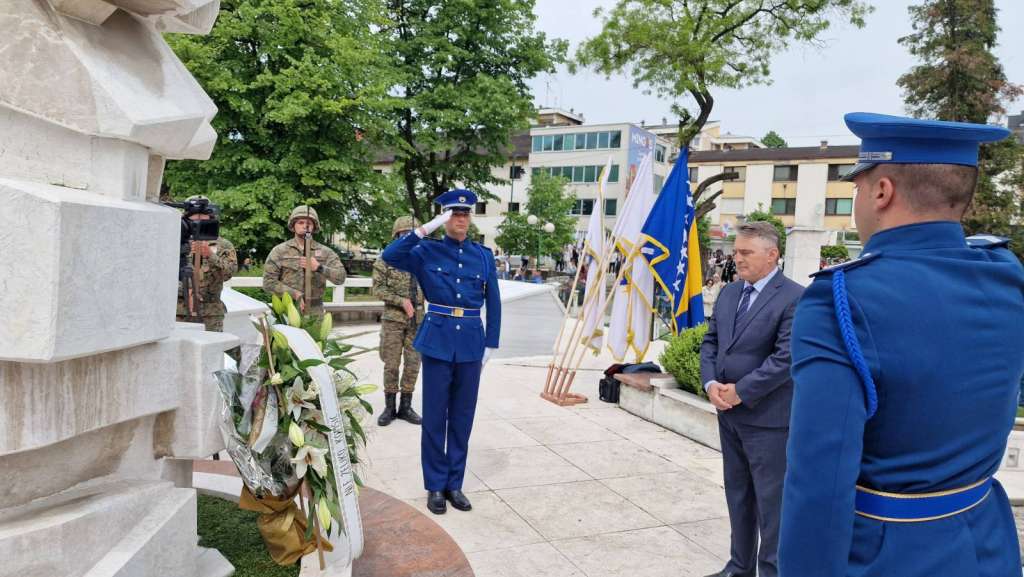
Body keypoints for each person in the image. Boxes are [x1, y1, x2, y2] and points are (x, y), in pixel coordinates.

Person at [779, 113, 1024, 577]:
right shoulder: (1005, 273)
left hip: (888, 555)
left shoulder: (842, 299)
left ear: (881, 191)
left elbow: (821, 482)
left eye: (857, 186)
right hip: (987, 543)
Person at [382, 189, 501, 516]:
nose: (460, 219)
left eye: (465, 214)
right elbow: (390, 256)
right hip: (437, 340)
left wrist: (491, 342)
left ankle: (454, 483)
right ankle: (434, 485)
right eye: (453, 214)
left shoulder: (483, 255)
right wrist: (426, 227)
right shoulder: (426, 251)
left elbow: (494, 301)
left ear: (470, 217)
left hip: (471, 344)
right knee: (435, 417)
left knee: (462, 418)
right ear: (446, 217)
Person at [699, 222, 804, 577]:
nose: (737, 258)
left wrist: (741, 391)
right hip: (729, 415)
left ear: (772, 254)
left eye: (746, 252)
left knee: (771, 504)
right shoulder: (730, 293)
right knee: (739, 495)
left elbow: (786, 357)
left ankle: (771, 572)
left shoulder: (795, 297)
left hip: (768, 420)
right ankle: (740, 567)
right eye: (736, 251)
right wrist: (711, 382)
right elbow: (710, 341)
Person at [372, 216, 425, 427]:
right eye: (404, 234)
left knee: (413, 364)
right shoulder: (385, 259)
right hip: (393, 319)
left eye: (411, 234)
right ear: (396, 236)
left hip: (418, 320)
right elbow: (377, 289)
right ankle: (389, 407)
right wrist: (400, 300)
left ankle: (406, 406)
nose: (408, 238)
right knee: (391, 364)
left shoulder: (423, 259)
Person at [263, 205, 346, 318]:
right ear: (293, 225)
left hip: (315, 312)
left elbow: (340, 278)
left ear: (314, 227)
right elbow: (268, 282)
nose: (305, 226)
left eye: (309, 223)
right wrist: (295, 294)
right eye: (300, 222)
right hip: (287, 308)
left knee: (314, 336)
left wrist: (319, 267)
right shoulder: (280, 251)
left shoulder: (325, 252)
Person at [176, 195, 238, 334]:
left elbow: (229, 273)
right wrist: (187, 292)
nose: (198, 220)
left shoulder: (223, 244)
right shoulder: (175, 241)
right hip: (179, 310)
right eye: (194, 216)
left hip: (210, 313)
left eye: (203, 216)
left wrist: (210, 255)